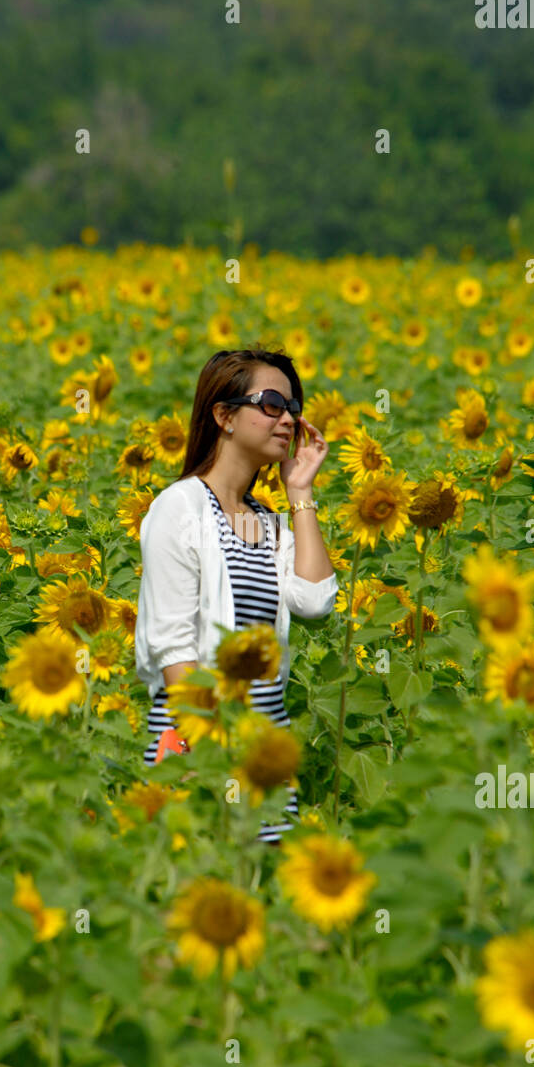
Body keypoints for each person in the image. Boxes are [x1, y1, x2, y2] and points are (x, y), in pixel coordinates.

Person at [134, 345, 339, 843]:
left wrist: (301, 496)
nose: (288, 419)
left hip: (264, 752)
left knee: (260, 898)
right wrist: (213, 756)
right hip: (197, 747)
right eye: (271, 403)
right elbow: (175, 652)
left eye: (293, 407)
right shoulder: (179, 509)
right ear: (224, 415)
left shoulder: (266, 523)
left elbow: (315, 601)